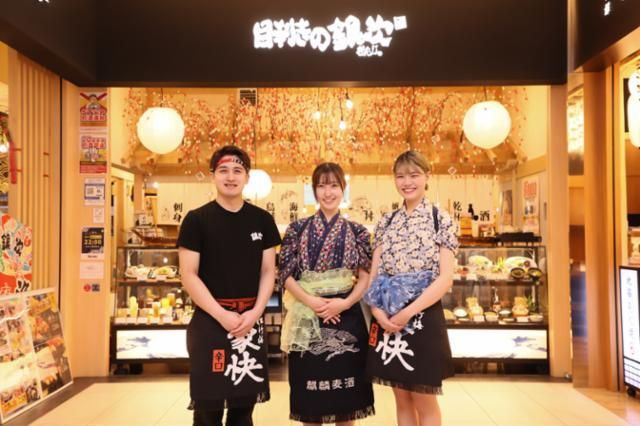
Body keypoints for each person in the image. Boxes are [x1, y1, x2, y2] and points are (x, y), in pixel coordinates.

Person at [178, 145, 281, 426]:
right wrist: (222, 315)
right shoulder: (196, 220)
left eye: (238, 170)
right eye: (223, 170)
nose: (231, 177)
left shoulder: (262, 220)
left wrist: (256, 313)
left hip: (250, 321)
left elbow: (268, 271)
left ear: (247, 177)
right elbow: (189, 275)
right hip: (209, 322)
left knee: (243, 410)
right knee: (207, 410)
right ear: (213, 175)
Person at [364, 150, 458, 426]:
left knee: (424, 399)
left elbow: (445, 279)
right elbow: (374, 276)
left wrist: (408, 313)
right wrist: (378, 313)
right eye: (401, 176)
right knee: (401, 398)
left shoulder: (441, 219)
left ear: (427, 176)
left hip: (423, 316)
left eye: (414, 175)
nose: (407, 182)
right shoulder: (386, 221)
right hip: (387, 317)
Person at [278, 162, 375, 425]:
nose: (328, 192)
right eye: (321, 186)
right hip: (307, 313)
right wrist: (311, 301)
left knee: (347, 399)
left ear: (343, 189)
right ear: (314, 191)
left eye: (334, 185)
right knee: (311, 399)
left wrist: (344, 303)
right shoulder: (297, 229)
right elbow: (285, 274)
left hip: (347, 313)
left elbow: (366, 275)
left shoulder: (358, 231)